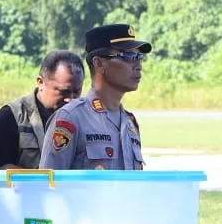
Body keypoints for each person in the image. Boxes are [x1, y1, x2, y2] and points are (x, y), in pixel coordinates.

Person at [40, 24, 147, 170]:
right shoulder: (71, 118)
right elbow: (49, 185)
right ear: (99, 64)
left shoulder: (129, 123)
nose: (138, 65)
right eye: (127, 56)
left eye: (139, 57)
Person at [0, 50, 85, 170]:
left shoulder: (87, 117)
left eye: (77, 92)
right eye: (64, 92)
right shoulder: (11, 116)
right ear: (41, 82)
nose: (71, 99)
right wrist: (43, 180)